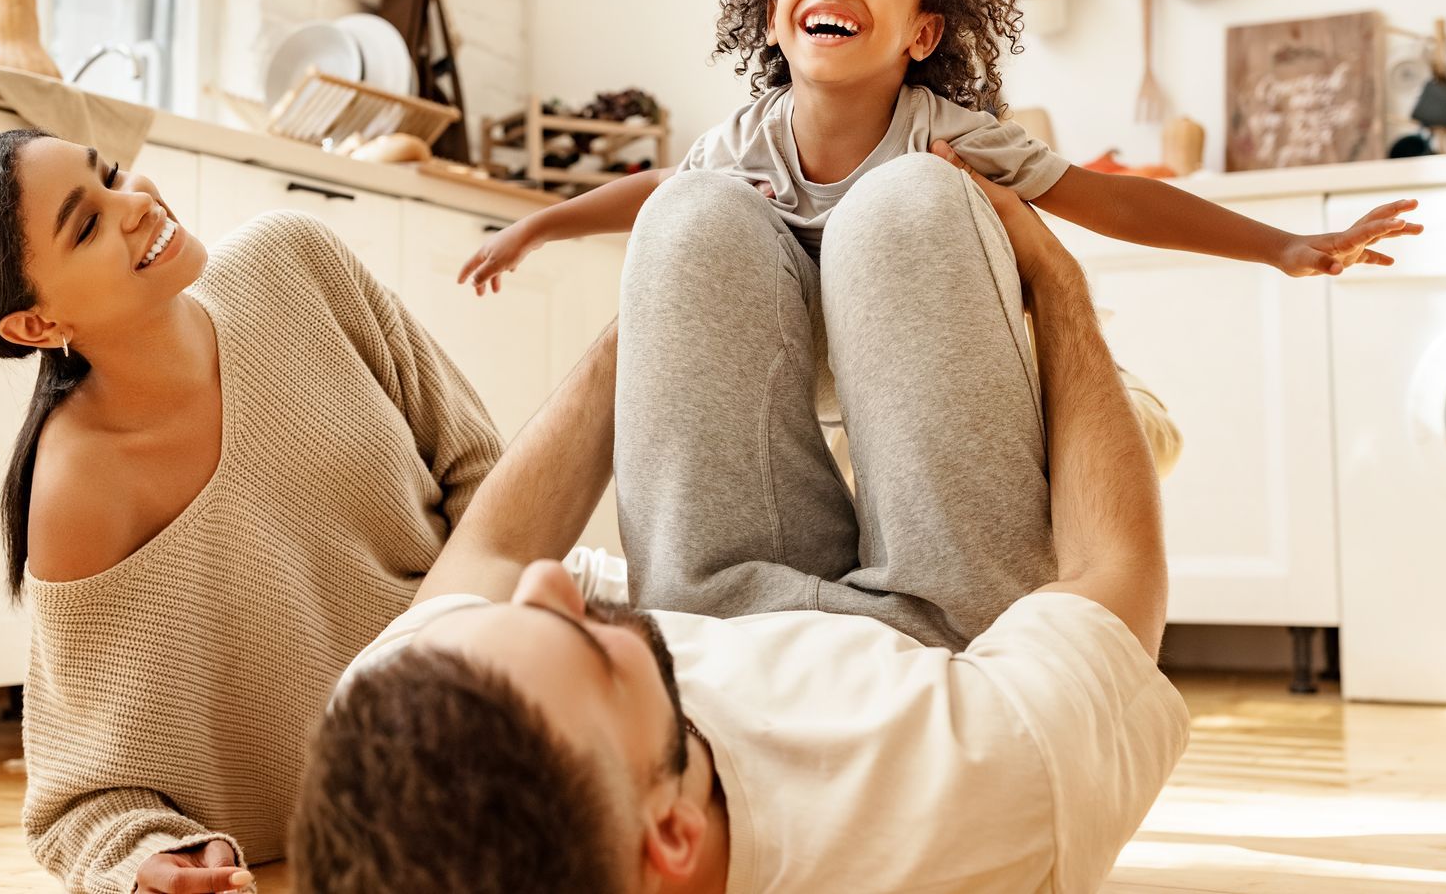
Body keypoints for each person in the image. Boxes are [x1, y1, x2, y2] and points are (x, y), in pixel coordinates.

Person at [296, 147, 1193, 893]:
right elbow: (1115, 575)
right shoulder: (979, 795)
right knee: (911, 203)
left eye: (522, 613)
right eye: (578, 641)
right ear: (672, 837)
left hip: (706, 597)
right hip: (950, 649)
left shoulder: (405, 733)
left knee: (691, 220)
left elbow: (495, 548)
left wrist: (650, 323)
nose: (552, 579)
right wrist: (1056, 278)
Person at [0, 129, 609, 894]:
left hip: (520, 675)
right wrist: (152, 863)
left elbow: (480, 476)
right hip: (408, 823)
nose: (135, 203)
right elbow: (82, 787)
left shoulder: (294, 258)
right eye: (89, 223)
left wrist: (525, 680)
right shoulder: (78, 490)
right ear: (36, 325)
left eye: (110, 174)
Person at [457, 0, 1419, 291]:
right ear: (775, 17)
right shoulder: (744, 139)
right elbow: (655, 193)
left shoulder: (944, 133)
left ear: (921, 32)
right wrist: (539, 225)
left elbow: (1107, 200)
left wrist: (1284, 245)